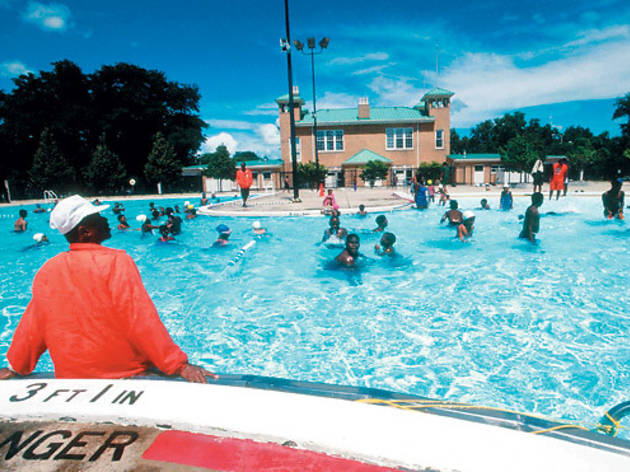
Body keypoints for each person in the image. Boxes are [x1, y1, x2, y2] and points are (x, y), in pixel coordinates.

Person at [0, 195, 216, 383]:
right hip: (123, 372)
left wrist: (16, 366)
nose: (105, 220)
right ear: (85, 232)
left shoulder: (48, 270)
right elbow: (140, 319)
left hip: (72, 375)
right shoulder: (117, 262)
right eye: (98, 218)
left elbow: (34, 323)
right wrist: (178, 365)